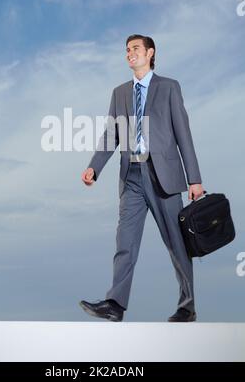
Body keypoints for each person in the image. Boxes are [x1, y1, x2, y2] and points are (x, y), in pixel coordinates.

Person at [79, 34, 204, 322]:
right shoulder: (120, 92)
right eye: (126, 50)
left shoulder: (169, 88)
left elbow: (184, 135)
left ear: (150, 53)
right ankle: (115, 304)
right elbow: (112, 135)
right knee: (125, 241)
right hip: (131, 176)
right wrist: (94, 167)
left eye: (135, 48)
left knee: (177, 242)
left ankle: (187, 306)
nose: (129, 53)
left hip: (164, 177)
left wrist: (194, 179)